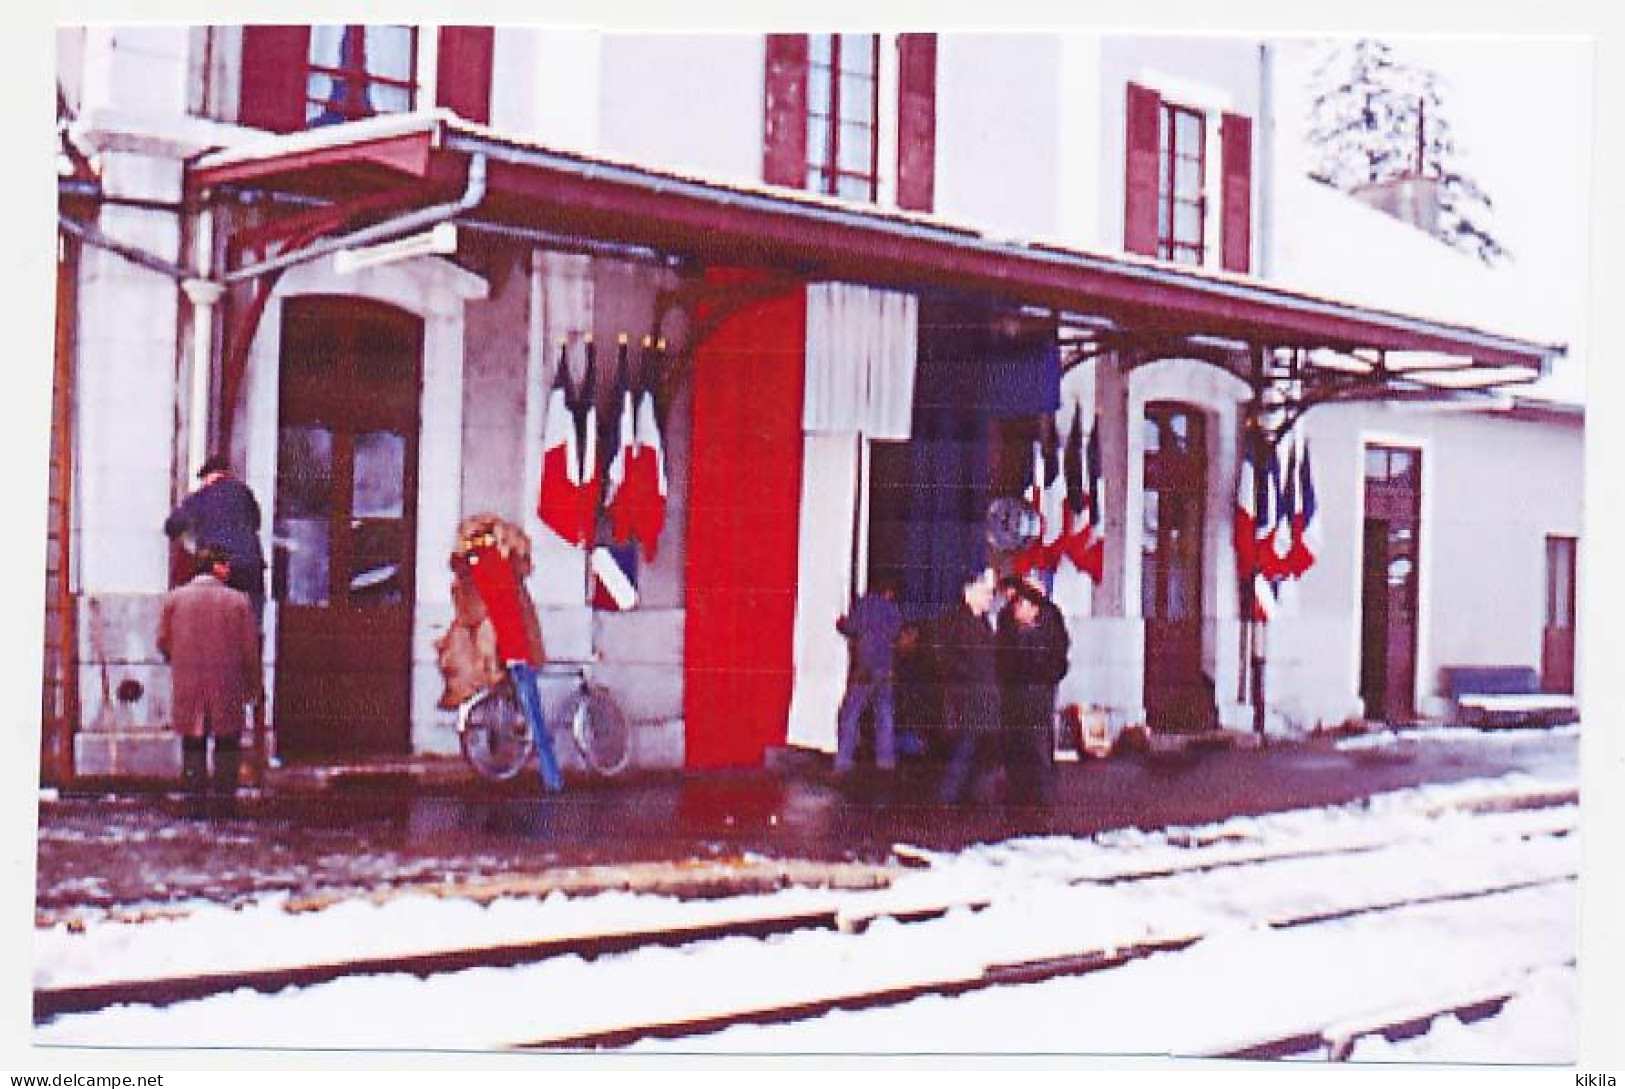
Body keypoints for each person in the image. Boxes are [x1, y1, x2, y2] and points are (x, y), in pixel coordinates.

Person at [454, 523, 563, 793]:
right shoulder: (497, 569)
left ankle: (540, 763)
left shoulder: (493, 570)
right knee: (534, 716)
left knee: (528, 709)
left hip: (512, 649)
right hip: (517, 652)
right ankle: (553, 777)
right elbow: (511, 618)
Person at [157, 548, 261, 816]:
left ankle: (194, 803)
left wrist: (181, 660)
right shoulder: (239, 602)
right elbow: (249, 649)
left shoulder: (174, 600)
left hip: (188, 681)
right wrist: (253, 685)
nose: (229, 570)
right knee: (227, 744)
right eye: (226, 565)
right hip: (226, 681)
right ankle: (225, 803)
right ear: (217, 567)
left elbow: (163, 642)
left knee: (193, 743)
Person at [163, 455, 267, 625]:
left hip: (219, 567)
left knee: (216, 626)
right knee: (249, 623)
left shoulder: (204, 495)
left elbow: (172, 526)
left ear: (209, 476)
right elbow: (256, 523)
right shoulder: (245, 494)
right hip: (250, 568)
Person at [996, 576, 1071, 806]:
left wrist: (1046, 679)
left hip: (1038, 691)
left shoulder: (1048, 622)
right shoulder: (1008, 621)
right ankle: (1020, 791)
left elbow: (1056, 656)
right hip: (1015, 691)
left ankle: (1042, 795)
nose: (1014, 605)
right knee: (1017, 742)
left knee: (1037, 743)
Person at [933, 565, 1001, 805]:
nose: (990, 598)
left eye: (991, 593)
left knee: (976, 750)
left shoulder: (982, 622)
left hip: (983, 697)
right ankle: (948, 796)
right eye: (986, 592)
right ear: (968, 592)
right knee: (965, 749)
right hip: (967, 698)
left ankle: (968, 796)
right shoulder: (958, 623)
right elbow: (948, 660)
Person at [833, 577, 904, 776]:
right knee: (884, 714)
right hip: (886, 668)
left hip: (865, 667)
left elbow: (850, 628)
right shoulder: (891, 608)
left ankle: (843, 761)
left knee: (851, 713)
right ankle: (886, 761)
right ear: (889, 592)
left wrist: (840, 623)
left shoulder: (863, 605)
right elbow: (897, 634)